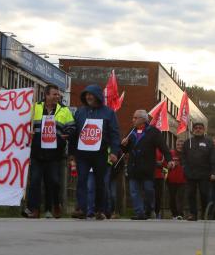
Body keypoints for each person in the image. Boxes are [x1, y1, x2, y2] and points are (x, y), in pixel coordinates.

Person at [71, 85, 120, 220]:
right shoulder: (80, 112)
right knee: (81, 181)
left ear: (98, 96)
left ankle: (100, 210)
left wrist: (114, 151)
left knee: (100, 182)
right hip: (82, 153)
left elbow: (114, 134)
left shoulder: (108, 113)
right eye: (86, 95)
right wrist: (72, 153)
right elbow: (75, 133)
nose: (88, 97)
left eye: (91, 95)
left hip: (100, 152)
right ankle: (82, 208)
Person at [27, 84, 75, 219]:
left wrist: (67, 134)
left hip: (55, 153)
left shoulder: (64, 111)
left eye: (58, 94)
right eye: (54, 94)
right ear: (46, 95)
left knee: (53, 181)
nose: (57, 96)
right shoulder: (34, 107)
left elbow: (72, 127)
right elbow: (24, 123)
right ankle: (34, 209)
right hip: (37, 151)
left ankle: (53, 206)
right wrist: (28, 131)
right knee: (35, 181)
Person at [121, 109, 173, 220]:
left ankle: (149, 209)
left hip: (147, 167)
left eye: (136, 118)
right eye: (133, 117)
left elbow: (163, 147)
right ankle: (139, 212)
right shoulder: (131, 131)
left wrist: (169, 160)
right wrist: (123, 145)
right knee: (134, 191)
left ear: (143, 119)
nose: (133, 120)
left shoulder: (153, 132)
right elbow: (125, 150)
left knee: (148, 190)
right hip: (133, 167)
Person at [181, 122, 215, 221]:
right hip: (190, 173)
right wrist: (184, 167)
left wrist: (214, 172)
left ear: (203, 130)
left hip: (205, 174)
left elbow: (213, 158)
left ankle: (205, 214)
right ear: (193, 130)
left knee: (204, 194)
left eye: (200, 128)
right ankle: (193, 214)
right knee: (191, 194)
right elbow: (183, 157)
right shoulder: (188, 142)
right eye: (196, 128)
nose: (198, 129)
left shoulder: (209, 143)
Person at [166, 140, 186, 219]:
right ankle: (174, 214)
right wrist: (169, 166)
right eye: (178, 144)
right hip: (171, 179)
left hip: (183, 179)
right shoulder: (171, 153)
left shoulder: (186, 154)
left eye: (181, 144)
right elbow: (165, 165)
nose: (180, 146)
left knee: (181, 197)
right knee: (172, 197)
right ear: (175, 145)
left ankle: (180, 214)